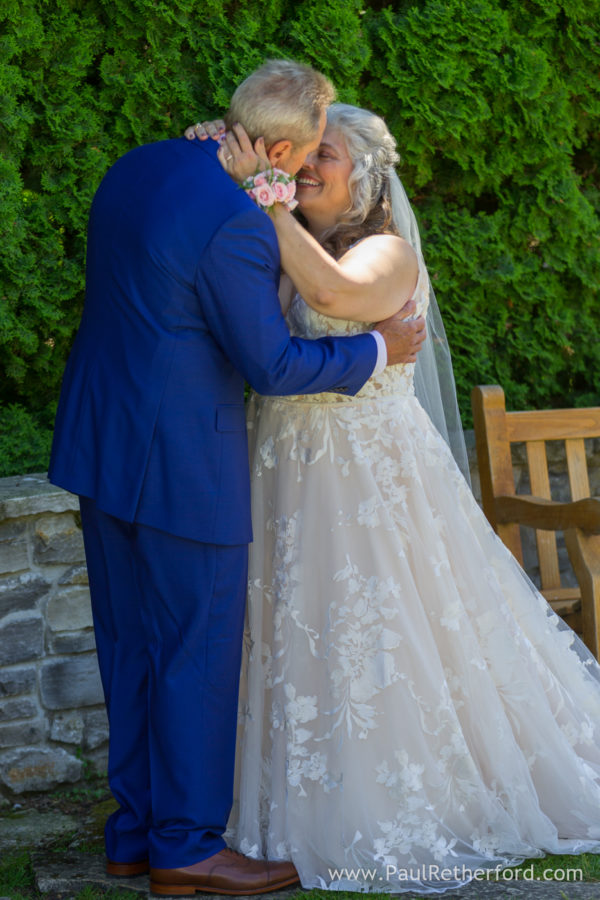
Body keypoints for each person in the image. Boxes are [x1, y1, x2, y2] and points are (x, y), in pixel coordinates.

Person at [187, 104, 600, 894]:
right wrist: (224, 153)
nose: (306, 167)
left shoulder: (389, 253)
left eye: (324, 156)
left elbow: (337, 297)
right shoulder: (277, 238)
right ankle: (286, 804)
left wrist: (264, 195)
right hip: (285, 470)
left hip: (367, 481)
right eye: (298, 155)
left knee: (380, 629)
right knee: (295, 627)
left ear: (367, 175)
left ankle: (406, 797)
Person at [47, 62, 428, 897]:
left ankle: (133, 834)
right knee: (197, 655)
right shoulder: (238, 222)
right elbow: (273, 364)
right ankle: (185, 848)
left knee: (131, 649)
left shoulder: (138, 165)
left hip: (101, 448)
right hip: (183, 468)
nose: (299, 175)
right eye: (303, 157)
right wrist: (374, 351)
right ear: (281, 147)